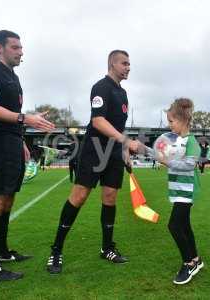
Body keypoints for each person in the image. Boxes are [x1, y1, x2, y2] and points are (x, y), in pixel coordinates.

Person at [46, 50, 141, 274]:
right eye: (124, 63)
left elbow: (117, 128)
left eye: (129, 63)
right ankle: (56, 251)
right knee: (79, 197)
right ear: (112, 65)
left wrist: (124, 150)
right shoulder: (101, 87)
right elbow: (98, 121)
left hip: (114, 152)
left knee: (110, 197)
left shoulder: (123, 93)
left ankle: (107, 248)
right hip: (94, 151)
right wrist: (127, 140)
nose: (128, 67)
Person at [0, 30, 55, 282]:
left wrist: (22, 141)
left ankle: (1, 252)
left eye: (21, 47)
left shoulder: (13, 77)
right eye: (15, 47)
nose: (21, 51)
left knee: (8, 199)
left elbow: (14, 113)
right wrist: (25, 118)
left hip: (13, 141)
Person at [156, 98, 203, 285]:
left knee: (174, 226)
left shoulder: (192, 142)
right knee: (184, 226)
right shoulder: (177, 141)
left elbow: (188, 165)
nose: (169, 125)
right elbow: (171, 158)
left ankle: (188, 263)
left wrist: (166, 161)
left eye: (171, 121)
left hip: (187, 191)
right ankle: (196, 260)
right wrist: (161, 156)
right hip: (178, 191)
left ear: (183, 120)